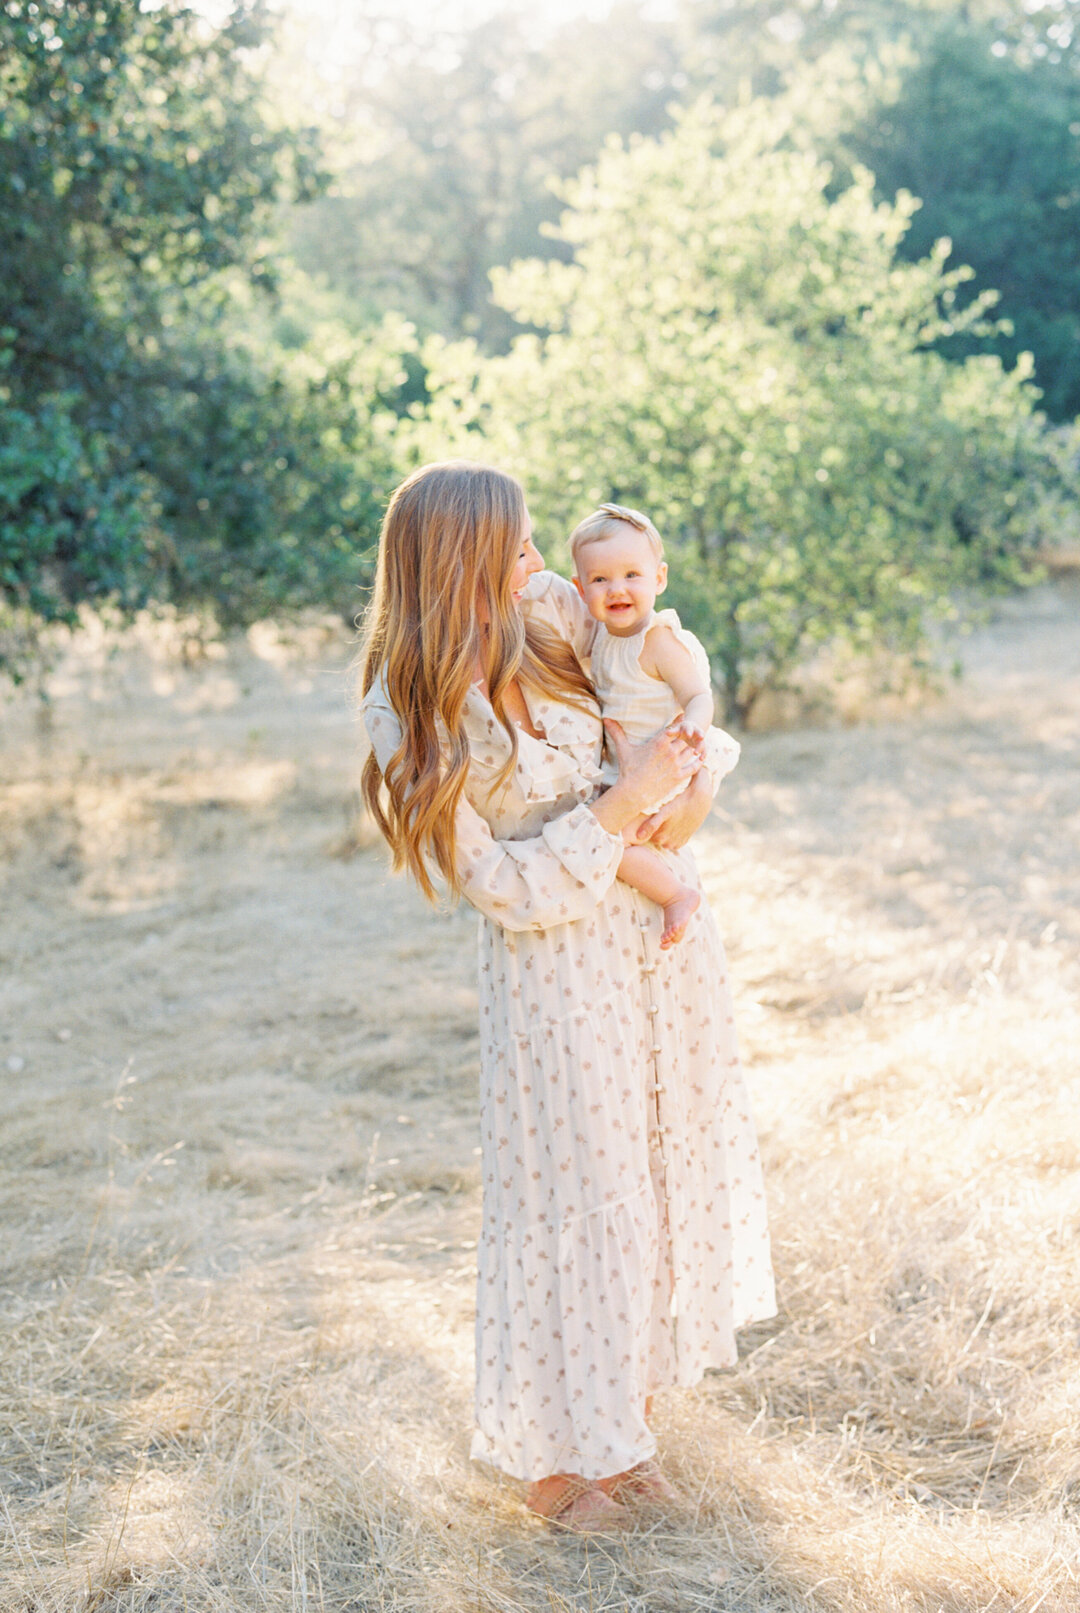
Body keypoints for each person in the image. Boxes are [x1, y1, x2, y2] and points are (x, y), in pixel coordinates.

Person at [360, 461, 775, 1532]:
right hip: (555, 966)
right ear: (456, 561)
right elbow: (497, 882)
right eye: (516, 546)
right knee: (571, 1198)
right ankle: (556, 1466)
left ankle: (622, 1433)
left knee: (647, 1175)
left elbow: (653, 668)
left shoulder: (546, 611)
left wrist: (687, 784)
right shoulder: (406, 706)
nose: (540, 564)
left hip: (654, 940)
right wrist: (626, 813)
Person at [570, 501, 718, 948]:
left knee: (611, 842)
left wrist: (694, 724)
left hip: (660, 767)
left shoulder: (657, 639)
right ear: (580, 589)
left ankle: (676, 895)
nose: (617, 588)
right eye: (600, 579)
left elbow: (698, 694)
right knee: (601, 834)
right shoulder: (600, 638)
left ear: (660, 578)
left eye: (632, 575)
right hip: (627, 772)